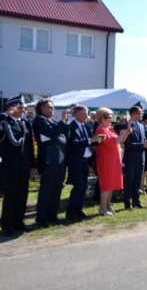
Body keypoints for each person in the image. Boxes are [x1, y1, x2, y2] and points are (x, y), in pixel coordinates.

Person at [0, 96, 35, 236]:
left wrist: (32, 166)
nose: (24, 110)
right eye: (20, 107)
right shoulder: (4, 123)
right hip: (9, 167)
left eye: (24, 107)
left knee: (22, 196)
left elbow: (30, 147)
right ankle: (7, 226)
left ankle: (18, 222)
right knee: (10, 197)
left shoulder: (26, 124)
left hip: (24, 166)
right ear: (11, 108)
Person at [32, 99, 69, 228]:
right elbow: (52, 133)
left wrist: (63, 123)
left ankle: (52, 216)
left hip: (59, 160)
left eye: (53, 108)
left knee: (56, 190)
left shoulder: (52, 121)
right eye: (48, 107)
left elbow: (64, 134)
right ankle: (41, 218)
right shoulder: (40, 120)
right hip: (49, 160)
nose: (52, 110)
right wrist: (63, 120)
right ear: (41, 108)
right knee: (47, 190)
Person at [65, 105, 103, 221]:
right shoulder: (71, 127)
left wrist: (99, 140)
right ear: (76, 114)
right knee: (78, 187)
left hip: (85, 161)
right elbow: (74, 143)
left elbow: (90, 143)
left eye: (87, 113)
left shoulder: (85, 127)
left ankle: (78, 210)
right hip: (76, 161)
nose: (87, 116)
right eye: (85, 113)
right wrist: (91, 140)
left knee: (83, 187)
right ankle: (71, 212)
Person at [94, 108, 132, 215]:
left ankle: (108, 206)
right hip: (106, 160)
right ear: (102, 118)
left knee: (111, 184)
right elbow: (110, 144)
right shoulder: (100, 130)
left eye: (111, 117)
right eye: (109, 118)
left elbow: (119, 141)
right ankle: (102, 207)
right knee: (106, 184)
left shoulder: (110, 128)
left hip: (114, 160)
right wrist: (121, 135)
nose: (111, 120)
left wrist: (127, 133)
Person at [122, 105, 147, 210]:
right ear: (132, 114)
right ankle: (127, 203)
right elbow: (128, 144)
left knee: (138, 182)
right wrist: (142, 145)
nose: (141, 114)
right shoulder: (126, 126)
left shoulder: (141, 126)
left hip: (140, 158)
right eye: (139, 113)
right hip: (130, 159)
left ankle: (136, 201)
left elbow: (142, 140)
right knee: (128, 182)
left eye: (141, 113)